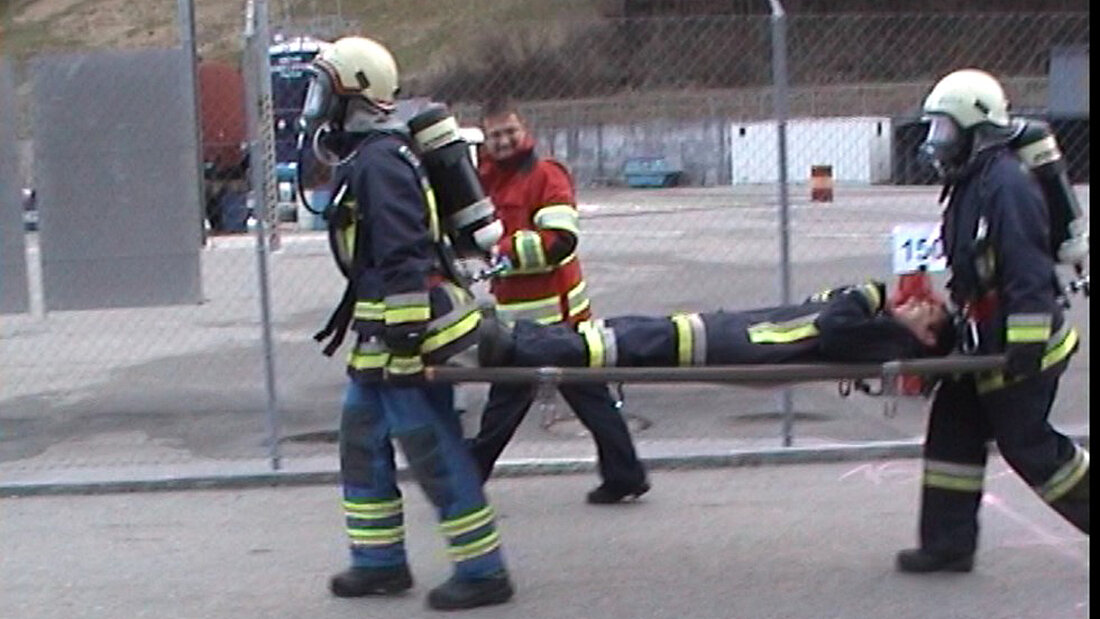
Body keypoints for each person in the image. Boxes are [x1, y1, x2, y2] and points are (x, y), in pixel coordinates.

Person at [301, 37, 513, 610]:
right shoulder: (368, 156)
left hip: (406, 337)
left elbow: (404, 255)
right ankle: (379, 563)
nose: (317, 105)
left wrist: (406, 338)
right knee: (362, 443)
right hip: (380, 338)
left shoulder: (379, 162)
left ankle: (483, 570)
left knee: (431, 447)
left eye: (327, 91)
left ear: (359, 94)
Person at [893, 68, 1088, 574]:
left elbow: (1027, 271)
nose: (938, 142)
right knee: (953, 431)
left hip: (1021, 343)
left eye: (945, 130)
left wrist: (1022, 343)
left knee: (1030, 448)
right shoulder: (971, 182)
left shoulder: (1007, 186)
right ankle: (948, 544)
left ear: (976, 129)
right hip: (983, 341)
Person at [468, 98, 650, 504]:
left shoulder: (547, 175)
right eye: (495, 135)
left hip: (558, 320)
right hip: (521, 321)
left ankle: (465, 483)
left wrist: (501, 252)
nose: (504, 141)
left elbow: (560, 242)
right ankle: (626, 475)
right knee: (585, 398)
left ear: (524, 129)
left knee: (507, 404)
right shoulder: (485, 179)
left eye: (509, 132)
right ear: (485, 138)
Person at [476, 281, 953, 369]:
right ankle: (521, 338)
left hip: (743, 343)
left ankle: (517, 348)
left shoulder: (888, 340)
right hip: (741, 333)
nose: (913, 304)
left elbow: (833, 325)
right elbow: (823, 304)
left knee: (621, 344)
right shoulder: (882, 334)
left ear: (926, 337)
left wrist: (867, 293)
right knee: (619, 331)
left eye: (923, 311)